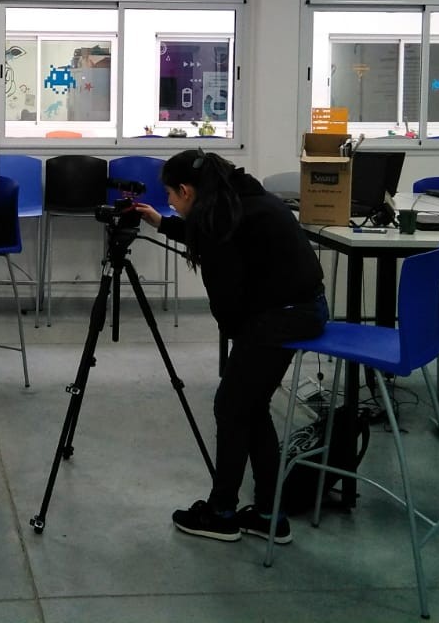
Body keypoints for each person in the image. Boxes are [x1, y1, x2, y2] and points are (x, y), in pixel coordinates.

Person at [133, 151, 326, 546]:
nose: (169, 202)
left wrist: (241, 339)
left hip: (282, 316)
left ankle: (222, 513)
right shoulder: (241, 201)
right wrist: (161, 223)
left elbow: (226, 301)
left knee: (231, 407)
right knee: (251, 407)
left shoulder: (223, 218)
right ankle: (270, 514)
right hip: (303, 308)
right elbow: (214, 235)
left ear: (187, 190)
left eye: (170, 195)